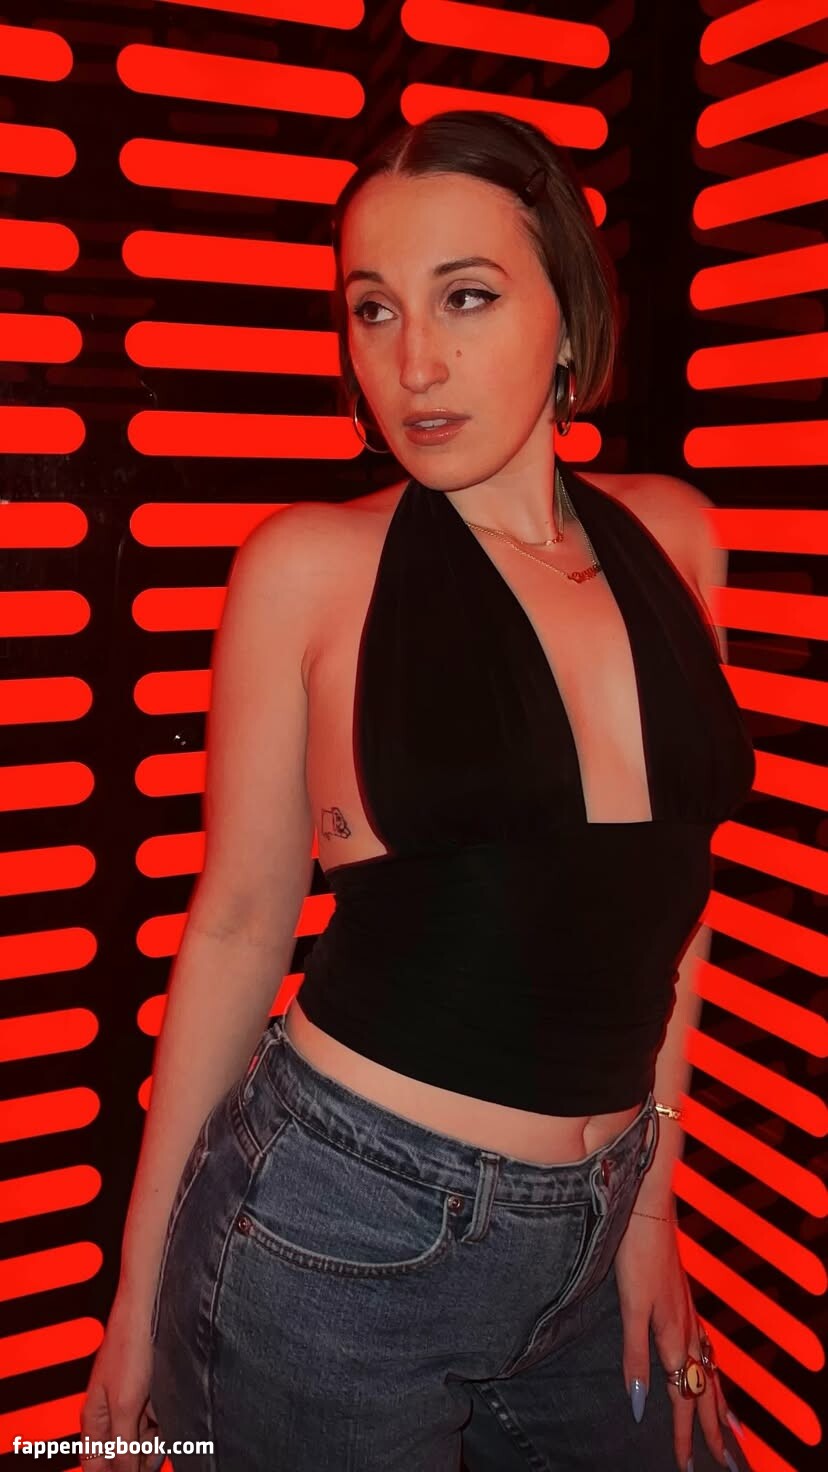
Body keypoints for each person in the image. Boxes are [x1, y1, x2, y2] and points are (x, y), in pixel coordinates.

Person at [81, 111, 756, 1471]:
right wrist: (134, 1296)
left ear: (567, 317)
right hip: (337, 1232)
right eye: (373, 309)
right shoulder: (309, 566)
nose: (413, 363)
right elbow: (236, 927)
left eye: (467, 297)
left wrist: (650, 1209)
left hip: (599, 1225)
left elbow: (673, 915)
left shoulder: (678, 536)